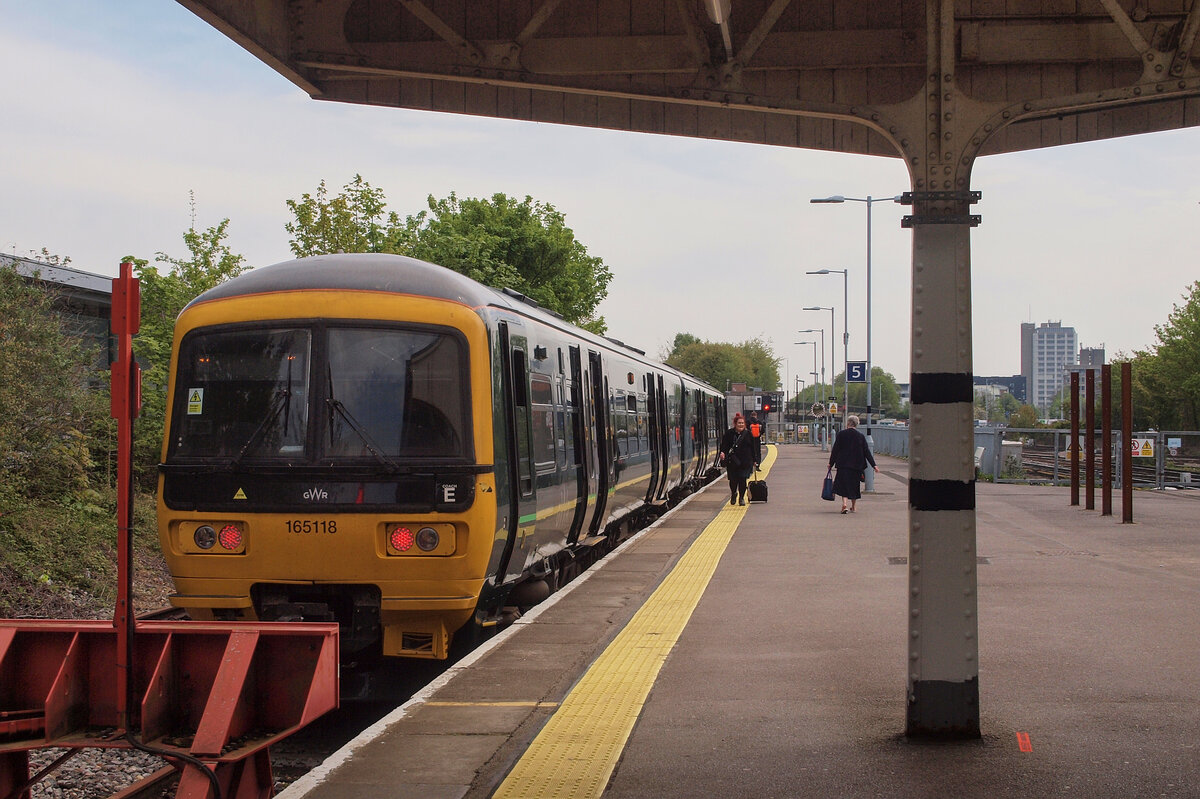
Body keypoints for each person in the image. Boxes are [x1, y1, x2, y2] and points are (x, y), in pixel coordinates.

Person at [828, 414, 878, 513]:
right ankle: (854, 507)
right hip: (856, 466)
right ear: (856, 424)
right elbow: (866, 451)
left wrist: (831, 463)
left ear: (848, 423)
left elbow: (835, 450)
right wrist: (874, 465)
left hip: (843, 465)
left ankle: (845, 504)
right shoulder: (860, 436)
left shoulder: (841, 434)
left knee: (844, 485)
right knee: (854, 486)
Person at [719, 413, 761, 506]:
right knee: (733, 481)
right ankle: (734, 493)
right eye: (739, 423)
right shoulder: (729, 433)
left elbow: (753, 448)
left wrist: (755, 460)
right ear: (735, 423)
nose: (741, 424)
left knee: (742, 480)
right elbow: (724, 445)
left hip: (745, 461)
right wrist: (722, 453)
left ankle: (741, 498)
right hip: (732, 461)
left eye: (742, 423)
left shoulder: (748, 434)